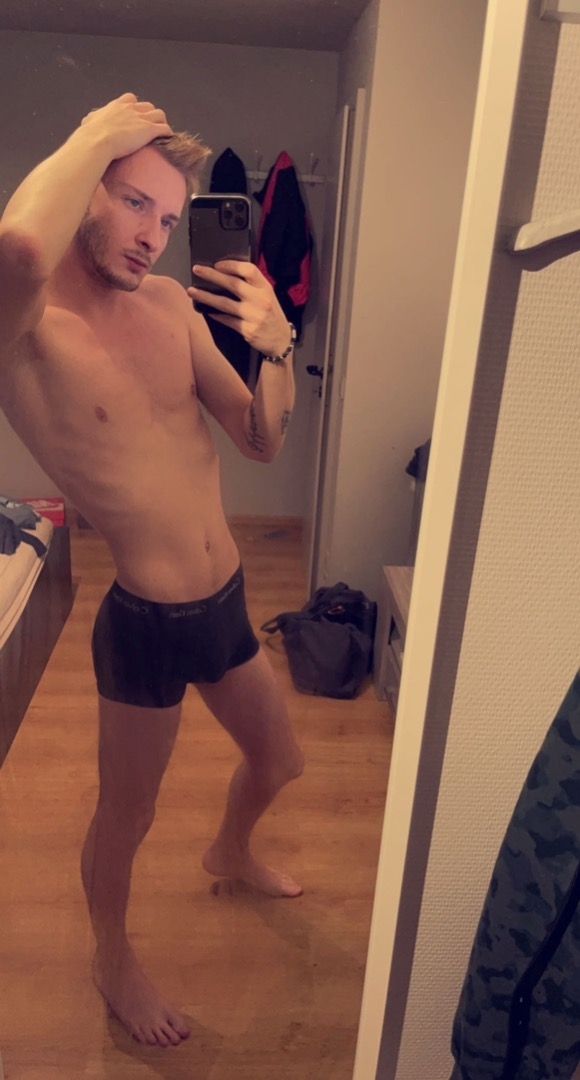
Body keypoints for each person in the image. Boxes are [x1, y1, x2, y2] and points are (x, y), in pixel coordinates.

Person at [0, 93, 305, 1049]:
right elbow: (20, 247)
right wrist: (98, 130)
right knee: (128, 816)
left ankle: (230, 851)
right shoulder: (27, 329)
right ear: (87, 187)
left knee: (282, 761)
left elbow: (259, 440)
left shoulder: (171, 305)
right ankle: (111, 957)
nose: (153, 236)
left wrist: (277, 346)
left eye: (168, 219)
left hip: (227, 601)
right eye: (135, 202)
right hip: (146, 624)